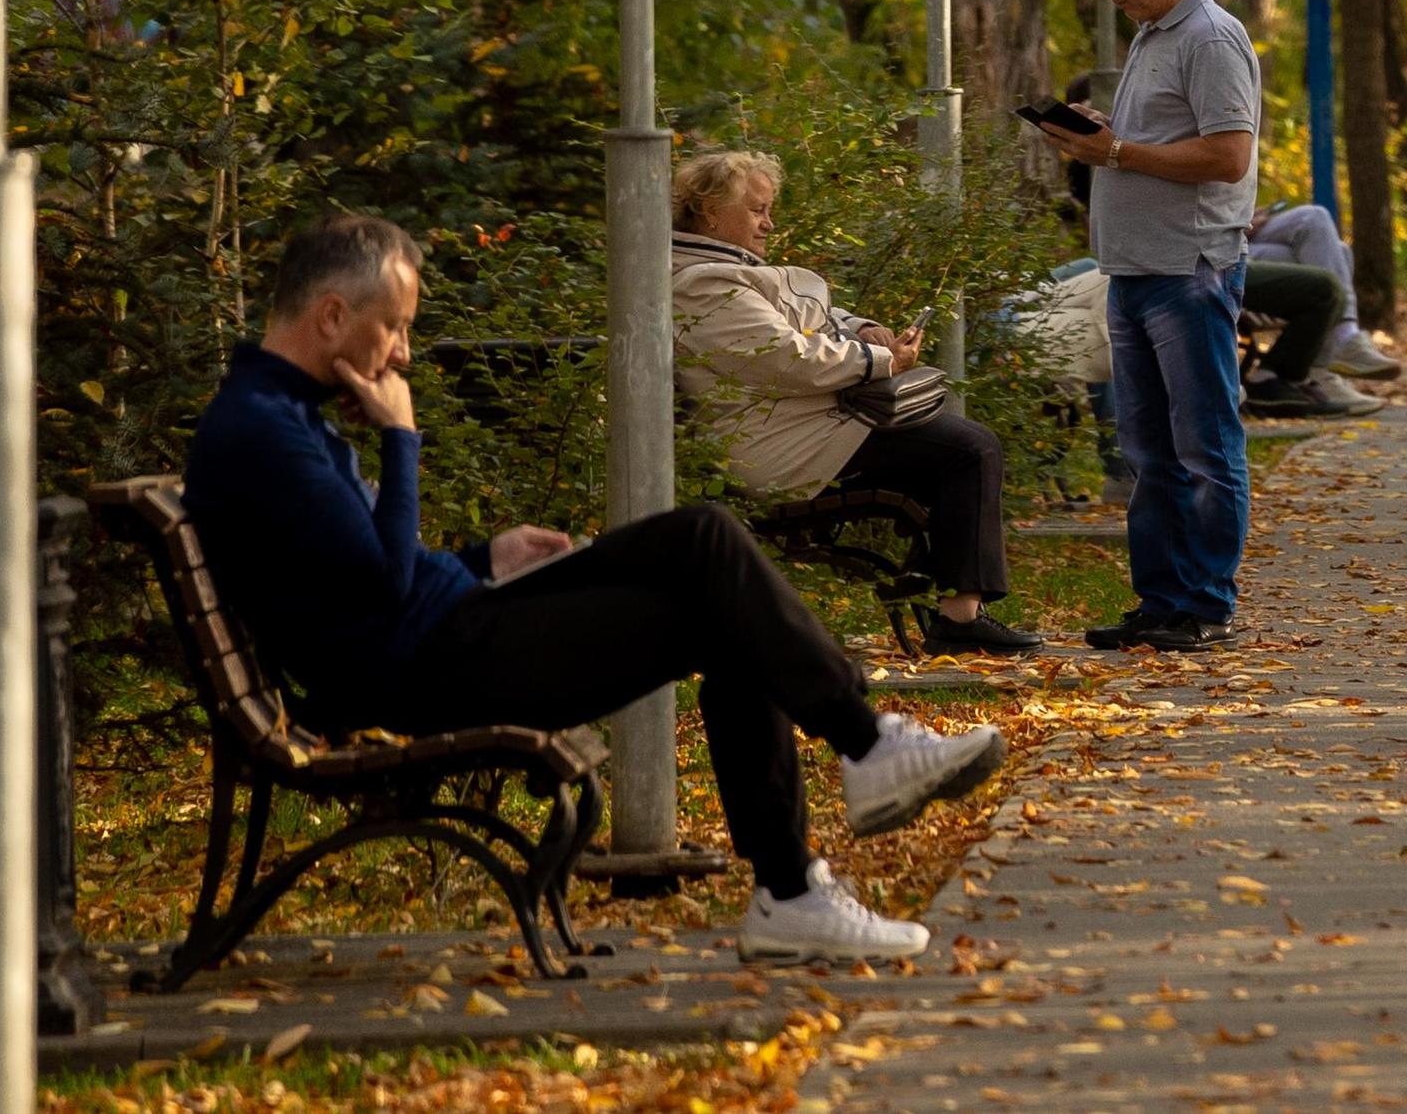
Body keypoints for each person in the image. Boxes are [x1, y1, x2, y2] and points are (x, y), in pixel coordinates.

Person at [185, 210, 1000, 963]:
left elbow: (364, 568)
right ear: (331, 316)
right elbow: (382, 588)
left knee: (706, 543)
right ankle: (842, 792)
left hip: (447, 624)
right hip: (422, 669)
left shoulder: (278, 414)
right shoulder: (263, 430)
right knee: (714, 574)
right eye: (393, 326)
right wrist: (401, 440)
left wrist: (479, 557)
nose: (400, 352)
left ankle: (822, 835)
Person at [669, 150, 1039, 655]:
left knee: (957, 444)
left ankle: (952, 602)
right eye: (757, 209)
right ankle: (958, 617)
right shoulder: (702, 282)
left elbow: (797, 317)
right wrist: (879, 360)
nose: (769, 223)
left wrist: (858, 328)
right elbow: (786, 355)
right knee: (968, 449)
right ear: (711, 210)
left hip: (800, 430)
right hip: (777, 448)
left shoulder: (718, 267)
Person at [1054, 0, 1263, 649]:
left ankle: (1207, 604)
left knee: (1204, 443)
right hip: (1136, 268)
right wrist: (1098, 135)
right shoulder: (1152, 35)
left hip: (1191, 267)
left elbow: (1228, 155)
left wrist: (1116, 153)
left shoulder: (1210, 38)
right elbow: (1152, 141)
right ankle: (1161, 600)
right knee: (1147, 450)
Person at [1240, 200, 1396, 415]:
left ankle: (1329, 356)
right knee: (1325, 237)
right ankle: (1336, 348)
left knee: (1328, 236)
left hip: (1238, 233)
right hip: (1216, 247)